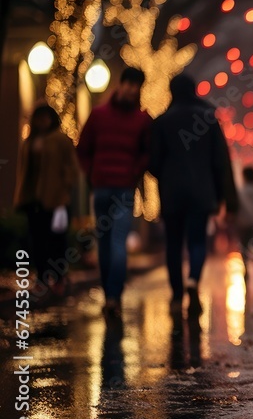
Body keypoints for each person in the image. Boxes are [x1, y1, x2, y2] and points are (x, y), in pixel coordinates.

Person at [149, 74, 237, 317]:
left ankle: (177, 295)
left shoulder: (162, 122)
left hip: (172, 194)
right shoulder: (208, 119)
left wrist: (167, 176)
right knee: (197, 241)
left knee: (174, 244)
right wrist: (225, 197)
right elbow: (221, 161)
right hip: (202, 193)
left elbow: (153, 162)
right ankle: (193, 281)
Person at [77, 67, 152, 316]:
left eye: (135, 85)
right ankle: (113, 297)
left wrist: (92, 172)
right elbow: (146, 153)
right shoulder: (138, 119)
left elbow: (83, 148)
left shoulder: (100, 115)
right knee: (113, 243)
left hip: (113, 187)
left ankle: (111, 296)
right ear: (121, 85)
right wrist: (132, 171)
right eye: (129, 84)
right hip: (113, 187)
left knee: (110, 243)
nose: (132, 89)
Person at [14, 104, 80, 297]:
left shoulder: (60, 140)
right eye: (39, 118)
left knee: (57, 241)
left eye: (46, 118)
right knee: (38, 240)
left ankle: (59, 277)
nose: (42, 122)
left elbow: (71, 168)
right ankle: (42, 277)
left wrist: (63, 189)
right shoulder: (30, 141)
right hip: (34, 199)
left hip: (57, 200)